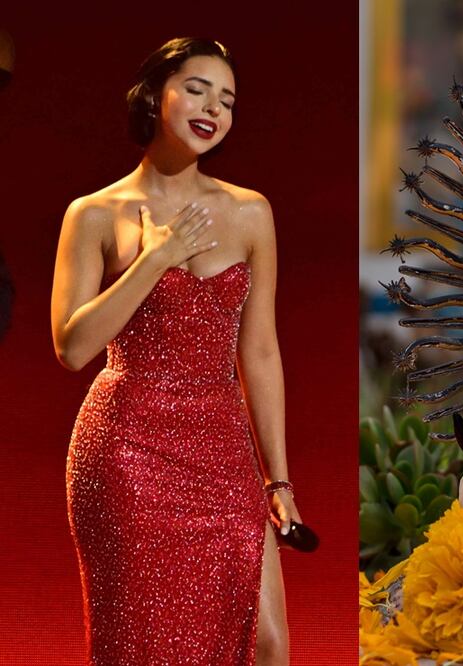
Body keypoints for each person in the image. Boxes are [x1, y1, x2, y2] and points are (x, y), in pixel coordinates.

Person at [51, 38, 296, 665]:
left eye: (227, 100)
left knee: (266, 644)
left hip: (222, 448)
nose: (213, 108)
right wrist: (154, 259)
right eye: (196, 89)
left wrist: (278, 478)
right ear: (154, 97)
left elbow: (260, 352)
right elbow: (72, 348)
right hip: (126, 450)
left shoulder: (250, 212)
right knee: (144, 645)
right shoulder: (94, 214)